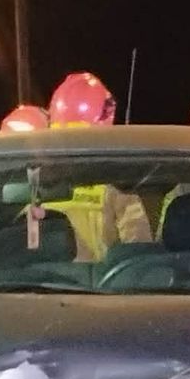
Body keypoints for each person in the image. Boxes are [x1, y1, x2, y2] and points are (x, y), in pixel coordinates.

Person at [42, 72, 152, 261]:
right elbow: (139, 254)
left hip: (50, 278)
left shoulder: (35, 185)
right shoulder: (116, 187)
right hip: (100, 277)